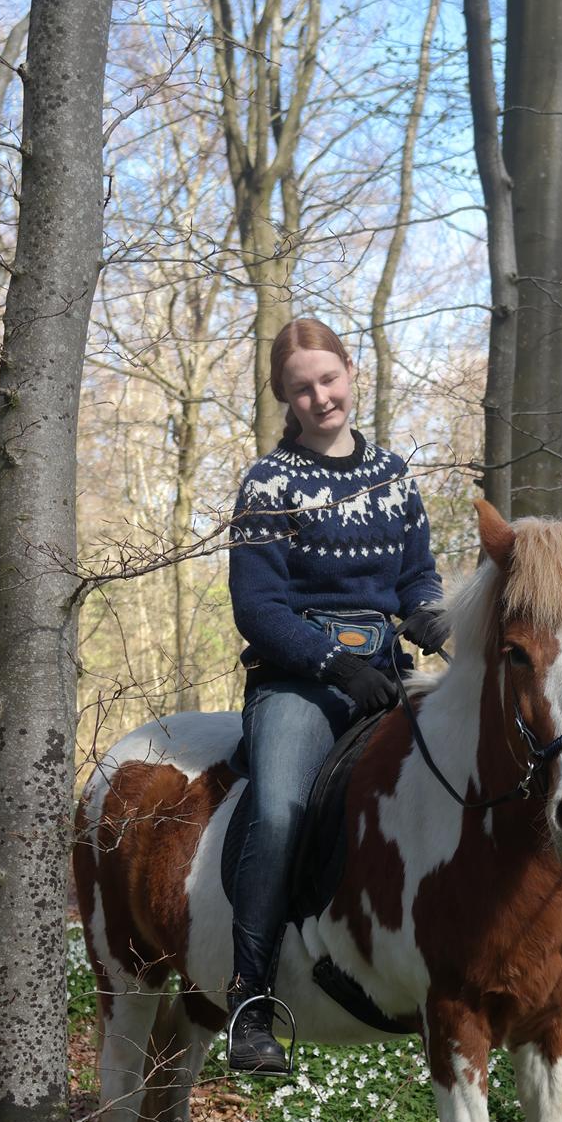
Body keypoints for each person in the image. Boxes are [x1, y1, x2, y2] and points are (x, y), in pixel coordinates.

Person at [226, 317, 449, 1071]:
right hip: (297, 681)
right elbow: (258, 609)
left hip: (389, 671)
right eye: (302, 388)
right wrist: (330, 662)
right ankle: (250, 1000)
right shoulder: (268, 482)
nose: (321, 396)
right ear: (285, 399)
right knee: (282, 809)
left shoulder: (394, 475)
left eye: (329, 379)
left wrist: (434, 621)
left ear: (350, 372)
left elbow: (417, 577)